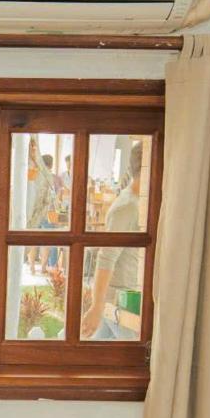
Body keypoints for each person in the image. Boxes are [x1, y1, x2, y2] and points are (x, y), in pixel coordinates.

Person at [81, 142, 143, 341]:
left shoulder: (138, 203)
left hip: (119, 304)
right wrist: (97, 307)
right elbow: (106, 258)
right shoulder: (128, 207)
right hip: (119, 306)